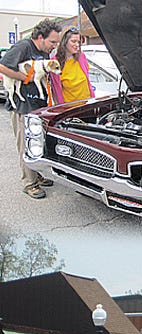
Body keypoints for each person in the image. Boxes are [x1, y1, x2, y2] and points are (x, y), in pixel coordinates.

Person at [0, 19, 61, 199]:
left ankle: (39, 176)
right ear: (40, 37)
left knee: (38, 144)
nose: (54, 46)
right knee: (26, 145)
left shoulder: (42, 52)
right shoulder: (24, 46)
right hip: (23, 106)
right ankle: (29, 183)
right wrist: (22, 77)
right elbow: (3, 65)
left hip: (38, 106)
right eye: (52, 42)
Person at [48, 27, 94, 104]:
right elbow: (56, 90)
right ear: (64, 42)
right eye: (73, 41)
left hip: (87, 104)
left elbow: (88, 82)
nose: (77, 45)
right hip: (70, 109)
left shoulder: (81, 56)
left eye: (78, 42)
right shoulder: (55, 62)